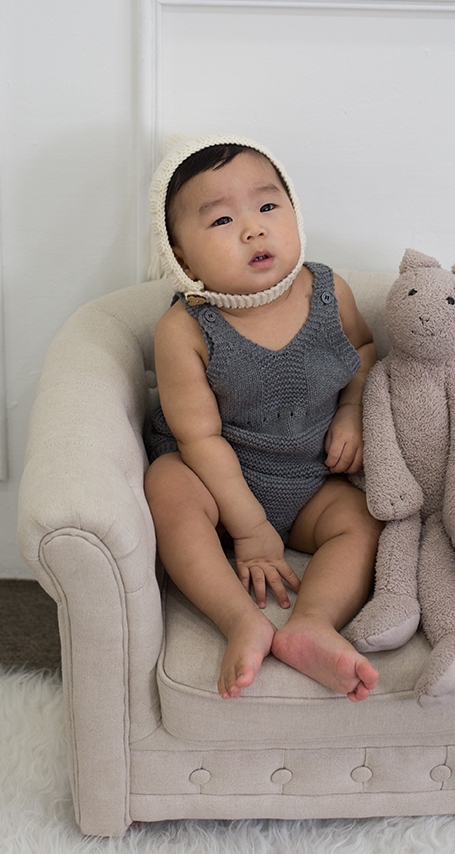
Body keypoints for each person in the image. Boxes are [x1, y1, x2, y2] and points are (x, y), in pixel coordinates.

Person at [144, 135, 383, 704]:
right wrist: (249, 529)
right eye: (222, 220)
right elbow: (199, 438)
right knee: (167, 483)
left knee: (363, 519)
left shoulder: (328, 292)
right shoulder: (185, 330)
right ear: (183, 259)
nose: (253, 229)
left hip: (309, 482)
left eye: (268, 206)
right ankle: (239, 619)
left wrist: (353, 410)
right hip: (216, 486)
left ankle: (312, 623)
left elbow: (364, 351)